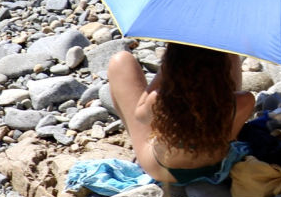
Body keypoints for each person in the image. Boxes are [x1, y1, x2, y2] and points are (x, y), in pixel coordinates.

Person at [107, 42, 257, 185]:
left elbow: (140, 117)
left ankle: (161, 137)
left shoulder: (160, 99)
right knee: (229, 54)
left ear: (172, 65)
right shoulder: (244, 101)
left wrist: (163, 73)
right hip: (216, 164)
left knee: (120, 61)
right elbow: (230, 137)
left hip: (163, 169)